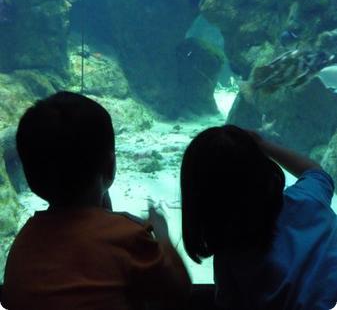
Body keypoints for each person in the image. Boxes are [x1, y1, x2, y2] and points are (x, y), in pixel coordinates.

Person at [2, 91, 191, 310]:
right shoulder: (127, 236)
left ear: (29, 177)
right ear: (110, 165)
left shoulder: (24, 241)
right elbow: (179, 291)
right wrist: (163, 235)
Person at [180, 124, 337, 310]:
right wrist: (263, 145)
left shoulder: (231, 258)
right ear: (266, 169)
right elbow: (315, 170)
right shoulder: (308, 198)